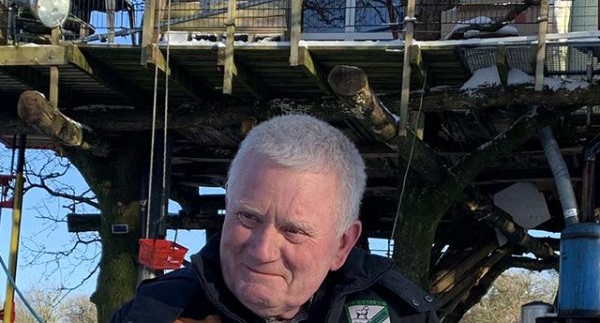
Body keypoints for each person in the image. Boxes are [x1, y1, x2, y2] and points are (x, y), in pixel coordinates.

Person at [111, 114, 439, 322]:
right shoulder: (156, 311)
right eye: (248, 217)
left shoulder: (405, 316)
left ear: (342, 244)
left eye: (293, 230)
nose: (262, 250)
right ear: (228, 205)